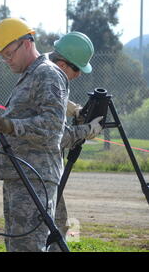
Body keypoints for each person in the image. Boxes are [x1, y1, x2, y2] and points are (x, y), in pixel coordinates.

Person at [0, 18, 69, 252]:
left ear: (27, 43)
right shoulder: (30, 76)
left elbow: (52, 128)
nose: (7, 60)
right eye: (3, 56)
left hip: (35, 178)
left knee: (27, 247)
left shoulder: (47, 74)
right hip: (20, 177)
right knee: (17, 247)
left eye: (9, 53)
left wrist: (10, 126)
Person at [47, 31, 104, 251]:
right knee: (51, 224)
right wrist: (85, 131)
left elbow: (55, 100)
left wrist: (73, 109)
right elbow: (55, 138)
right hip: (36, 168)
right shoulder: (50, 77)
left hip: (41, 168)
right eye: (77, 68)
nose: (79, 75)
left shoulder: (45, 72)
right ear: (62, 64)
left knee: (58, 221)